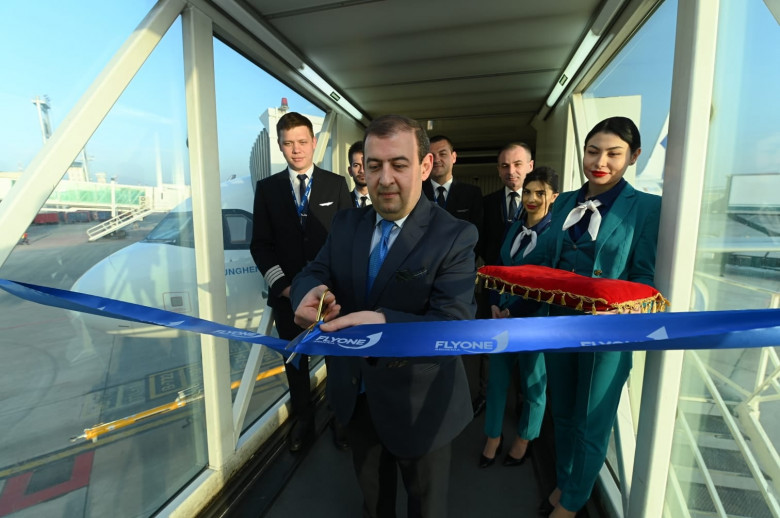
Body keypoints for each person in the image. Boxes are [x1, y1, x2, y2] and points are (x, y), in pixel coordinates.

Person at [292, 115, 477, 518]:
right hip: (358, 398)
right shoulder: (346, 223)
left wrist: (386, 326)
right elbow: (315, 270)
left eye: (399, 164)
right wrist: (305, 294)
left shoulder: (455, 236)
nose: (385, 178)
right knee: (374, 504)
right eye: (374, 165)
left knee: (426, 509)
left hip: (421, 405)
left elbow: (455, 325)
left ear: (425, 166)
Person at [523, 117, 661, 518]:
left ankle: (572, 501)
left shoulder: (647, 208)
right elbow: (546, 262)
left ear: (633, 157)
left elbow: (644, 277)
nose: (600, 162)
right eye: (592, 151)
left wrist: (621, 310)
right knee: (564, 412)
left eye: (614, 154)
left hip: (608, 332)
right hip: (560, 324)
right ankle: (565, 482)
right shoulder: (565, 201)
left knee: (592, 420)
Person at [250, 111, 352, 452]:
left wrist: (334, 286)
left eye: (302, 142)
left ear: (314, 143)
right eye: (288, 143)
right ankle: (303, 421)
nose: (296, 149)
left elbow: (348, 239)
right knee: (295, 362)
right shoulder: (267, 189)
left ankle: (340, 417)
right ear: (280, 146)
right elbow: (260, 245)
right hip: (288, 296)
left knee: (337, 359)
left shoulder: (336, 184)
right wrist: (286, 288)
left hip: (331, 296)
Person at [480, 166, 559, 469]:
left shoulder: (555, 236)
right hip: (502, 318)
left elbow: (548, 286)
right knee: (497, 382)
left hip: (533, 322)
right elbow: (498, 268)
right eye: (527, 192)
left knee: (533, 383)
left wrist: (513, 310)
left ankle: (525, 439)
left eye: (540, 193)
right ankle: (492, 436)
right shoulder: (514, 227)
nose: (531, 198)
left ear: (554, 196)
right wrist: (494, 304)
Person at [421, 134, 486, 416]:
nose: (438, 160)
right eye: (432, 155)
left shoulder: (471, 194)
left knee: (458, 341)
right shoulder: (416, 192)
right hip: (421, 280)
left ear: (454, 157)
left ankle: (461, 401)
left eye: (443, 153)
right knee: (427, 343)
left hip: (459, 282)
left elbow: (478, 237)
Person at [481, 142, 535, 267]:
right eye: (505, 166)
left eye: (517, 164)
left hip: (528, 274)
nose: (511, 171)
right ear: (499, 170)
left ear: (530, 166)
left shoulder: (544, 204)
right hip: (495, 274)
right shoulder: (486, 203)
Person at [347, 140, 371, 207]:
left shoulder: (383, 201)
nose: (362, 170)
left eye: (365, 164)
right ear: (350, 171)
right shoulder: (344, 201)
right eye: (356, 165)